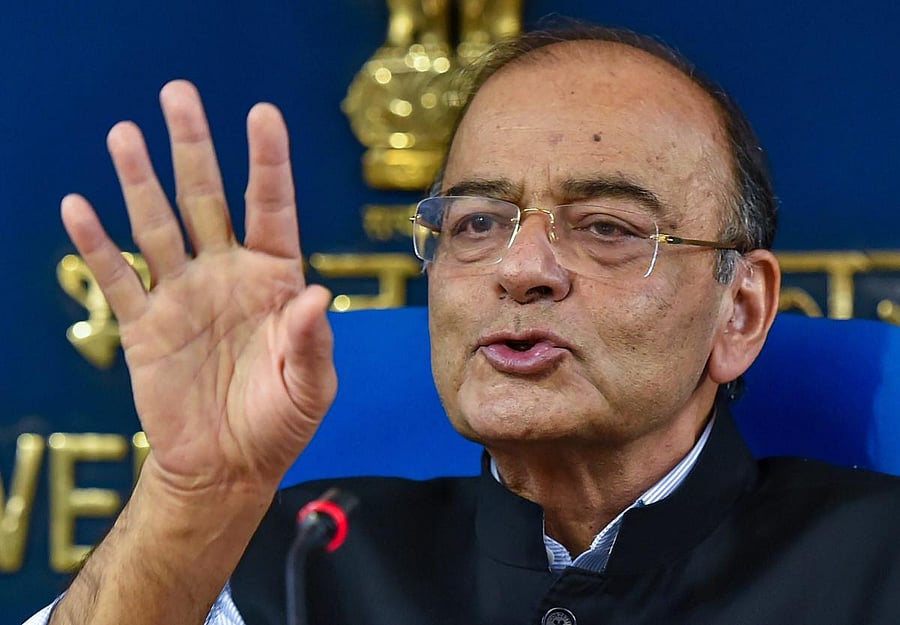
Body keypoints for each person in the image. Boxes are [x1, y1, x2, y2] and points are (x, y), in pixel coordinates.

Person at [27, 23, 900, 625]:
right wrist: (193, 498)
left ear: (740, 310)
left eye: (605, 227)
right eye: (479, 221)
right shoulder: (305, 558)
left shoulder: (875, 564)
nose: (521, 269)